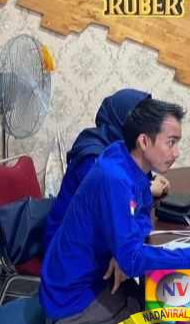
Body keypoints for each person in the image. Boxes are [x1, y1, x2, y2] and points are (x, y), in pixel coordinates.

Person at [41, 98, 190, 324]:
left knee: (181, 308)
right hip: (73, 305)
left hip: (99, 281)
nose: (177, 152)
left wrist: (121, 250)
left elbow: (142, 212)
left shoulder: (125, 157)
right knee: (186, 321)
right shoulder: (115, 179)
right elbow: (132, 261)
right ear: (144, 141)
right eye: (171, 143)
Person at [44, 88, 170, 251]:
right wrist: (148, 189)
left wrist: (150, 180)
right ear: (121, 119)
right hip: (68, 246)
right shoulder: (92, 155)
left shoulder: (125, 146)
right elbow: (109, 201)